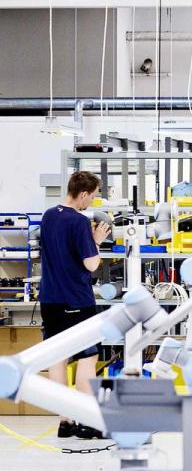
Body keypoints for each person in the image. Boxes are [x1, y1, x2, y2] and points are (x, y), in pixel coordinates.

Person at [39, 171, 110, 439]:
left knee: (58, 359)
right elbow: (91, 264)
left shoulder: (48, 215)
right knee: (87, 358)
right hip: (76, 300)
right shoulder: (79, 221)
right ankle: (88, 422)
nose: (91, 202)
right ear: (83, 194)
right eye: (92, 197)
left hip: (50, 299)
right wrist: (96, 242)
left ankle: (65, 422)